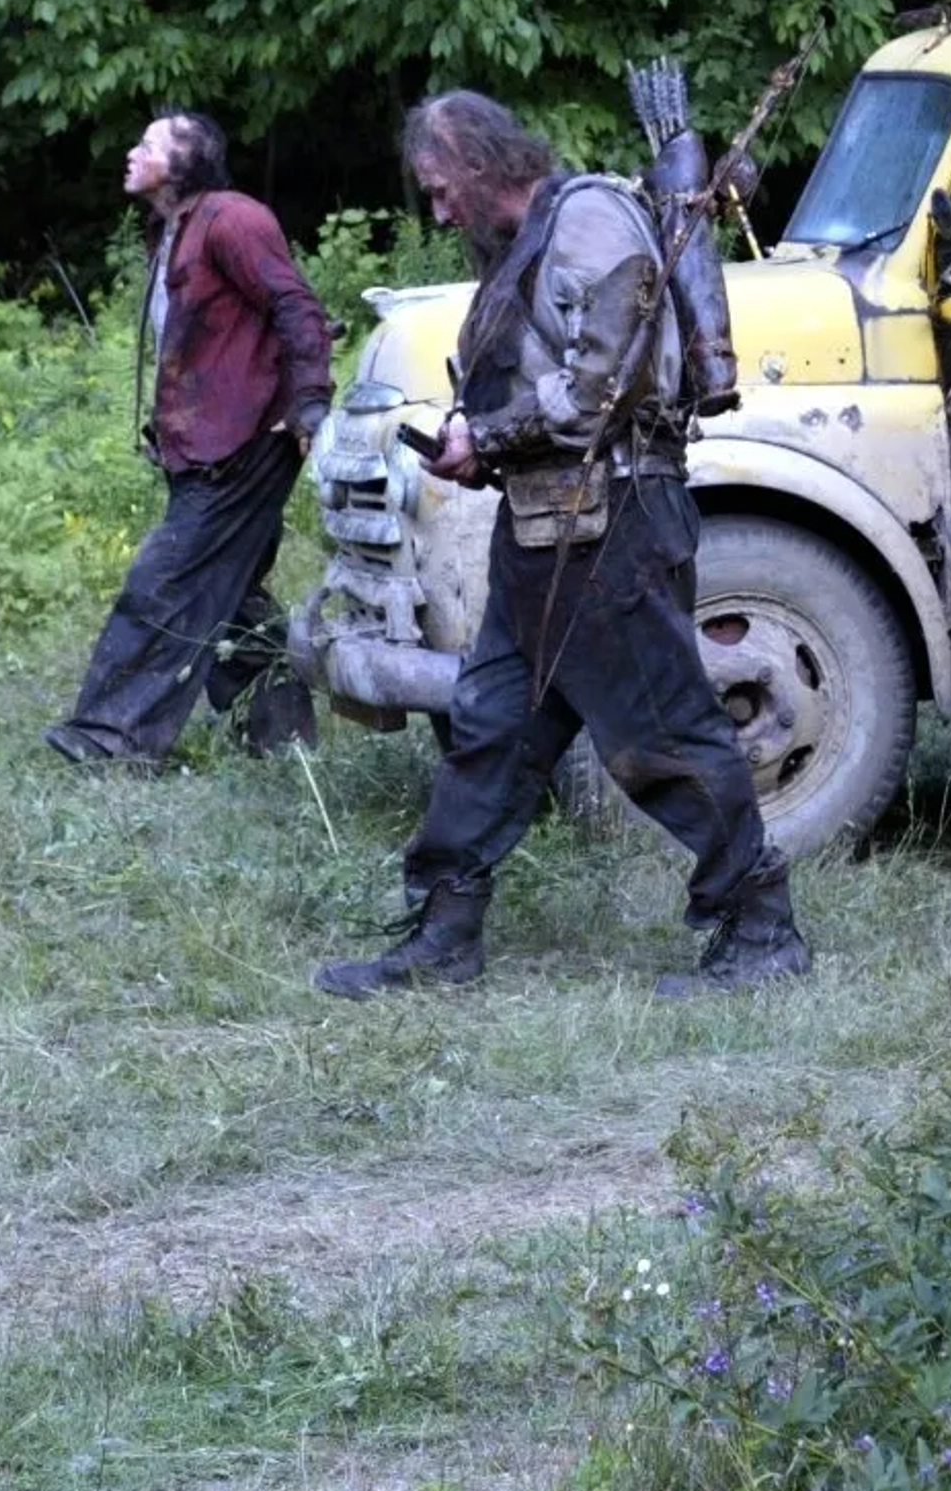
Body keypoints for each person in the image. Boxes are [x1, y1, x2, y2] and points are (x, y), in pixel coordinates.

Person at [315, 90, 809, 1000]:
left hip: (611, 527)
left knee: (665, 736)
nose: (437, 209)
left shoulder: (587, 220)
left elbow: (600, 391)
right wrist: (485, 441)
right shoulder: (523, 245)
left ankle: (761, 930)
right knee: (490, 729)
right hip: (541, 533)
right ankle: (443, 936)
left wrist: (486, 440)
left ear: (476, 159)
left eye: (438, 187)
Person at [46, 109, 333, 767]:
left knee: (165, 579)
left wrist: (311, 403)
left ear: (188, 160)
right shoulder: (170, 228)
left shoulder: (233, 219)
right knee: (229, 588)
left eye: (147, 143)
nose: (131, 150)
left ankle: (111, 739)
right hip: (204, 442)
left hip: (247, 441)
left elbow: (298, 307)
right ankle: (280, 739)